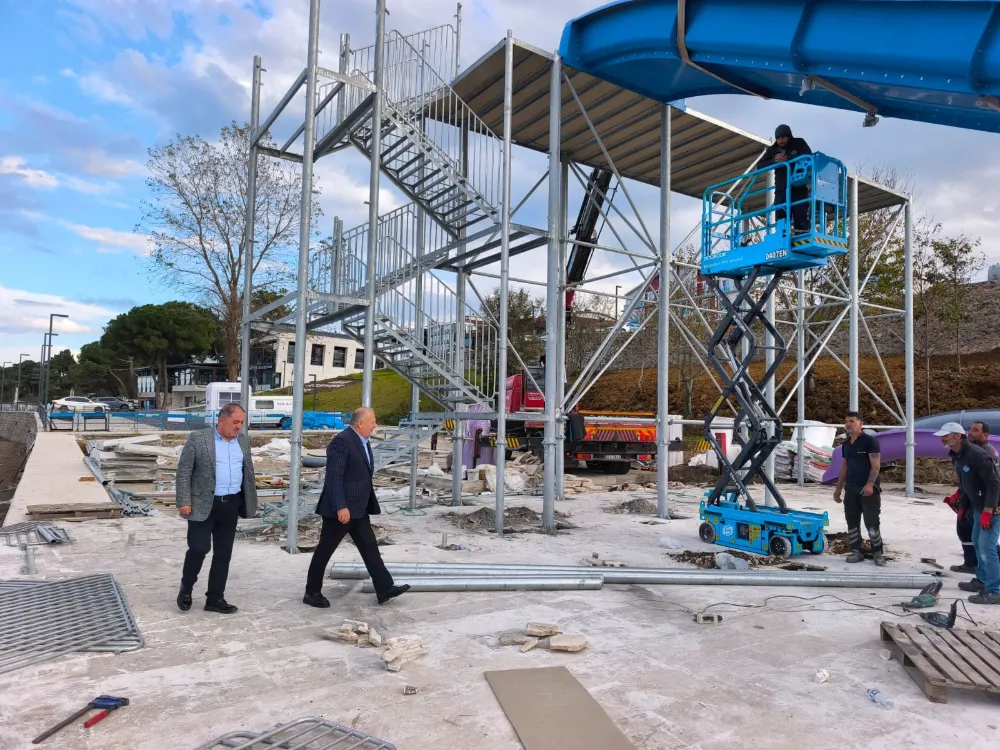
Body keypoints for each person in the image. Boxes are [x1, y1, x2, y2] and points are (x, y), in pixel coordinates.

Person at [304, 407, 409, 607]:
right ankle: (311, 592)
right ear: (361, 423)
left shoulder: (363, 441)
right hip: (341, 511)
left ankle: (384, 588)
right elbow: (334, 478)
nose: (375, 425)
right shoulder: (342, 441)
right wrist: (341, 507)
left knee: (370, 549)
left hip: (359, 509)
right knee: (325, 551)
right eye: (372, 422)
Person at [175, 403, 258, 614]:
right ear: (222, 420)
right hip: (203, 504)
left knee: (223, 553)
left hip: (231, 504)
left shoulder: (243, 441)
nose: (239, 426)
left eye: (241, 422)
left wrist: (249, 501)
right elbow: (184, 472)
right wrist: (184, 501)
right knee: (199, 548)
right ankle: (186, 587)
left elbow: (247, 472)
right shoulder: (199, 438)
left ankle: (215, 599)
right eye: (235, 422)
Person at [936, 422, 1000, 605]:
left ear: (957, 436)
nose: (942, 439)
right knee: (977, 543)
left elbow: (994, 483)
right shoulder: (958, 455)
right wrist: (962, 504)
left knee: (987, 547)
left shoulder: (977, 454)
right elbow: (966, 483)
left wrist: (989, 510)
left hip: (993, 507)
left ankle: (995, 591)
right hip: (979, 505)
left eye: (946, 435)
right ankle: (982, 580)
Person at [946, 421, 1000, 573]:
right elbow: (968, 480)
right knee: (974, 538)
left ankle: (991, 581)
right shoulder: (964, 453)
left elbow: (993, 483)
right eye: (970, 429)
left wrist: (988, 510)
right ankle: (978, 571)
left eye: (975, 430)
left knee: (986, 544)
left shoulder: (982, 453)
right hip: (975, 501)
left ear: (985, 435)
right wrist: (960, 498)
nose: (970, 432)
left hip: (987, 503)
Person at [833, 411, 885, 565]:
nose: (848, 424)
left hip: (868, 489)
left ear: (860, 423)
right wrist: (838, 489)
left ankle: (877, 553)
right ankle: (856, 551)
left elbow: (876, 466)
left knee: (871, 522)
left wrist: (870, 484)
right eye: (846, 421)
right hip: (851, 488)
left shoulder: (870, 441)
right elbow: (844, 468)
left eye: (852, 421)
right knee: (852, 521)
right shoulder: (846, 444)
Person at [756, 124, 812, 232]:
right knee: (781, 218)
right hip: (781, 189)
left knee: (800, 215)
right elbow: (760, 165)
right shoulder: (772, 150)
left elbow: (808, 155)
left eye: (783, 137)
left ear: (789, 136)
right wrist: (774, 161)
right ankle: (782, 237)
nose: (780, 140)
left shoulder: (799, 143)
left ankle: (802, 237)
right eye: (778, 138)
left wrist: (787, 158)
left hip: (798, 187)